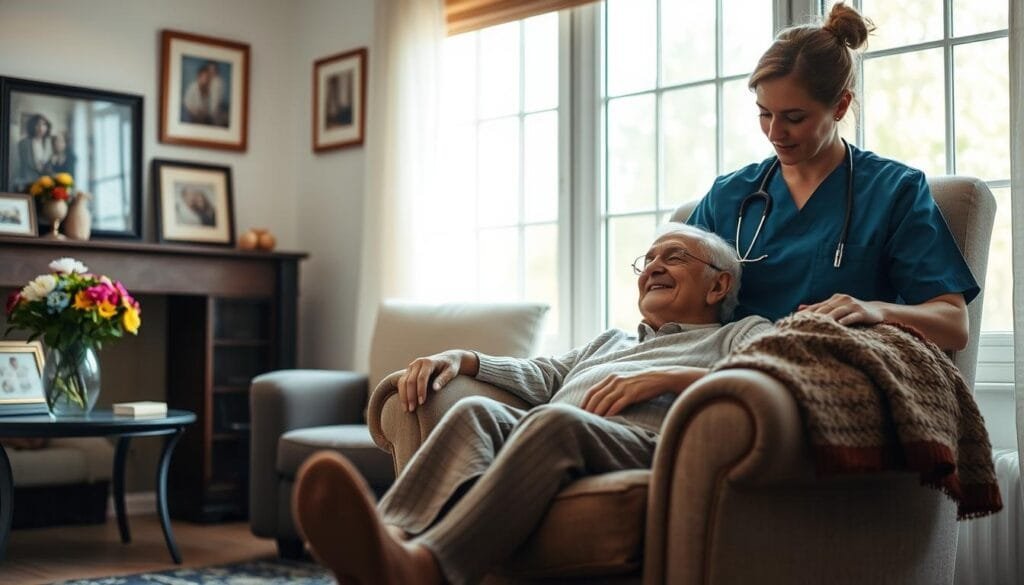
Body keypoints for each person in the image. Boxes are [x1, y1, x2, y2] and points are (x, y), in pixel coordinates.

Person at [294, 223, 773, 585]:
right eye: (646, 261)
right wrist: (466, 358)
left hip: (653, 446)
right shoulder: (612, 341)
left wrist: (670, 377)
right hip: (559, 438)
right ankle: (382, 542)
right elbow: (545, 374)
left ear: (718, 286)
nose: (653, 268)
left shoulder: (740, 334)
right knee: (474, 412)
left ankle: (427, 566)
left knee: (554, 421)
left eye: (674, 257)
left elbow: (780, 377)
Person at [686, 2, 978, 352]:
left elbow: (954, 324)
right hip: (725, 366)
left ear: (840, 106)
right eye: (765, 114)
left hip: (831, 375)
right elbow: (676, 295)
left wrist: (874, 310)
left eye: (794, 118)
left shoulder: (893, 191)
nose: (775, 132)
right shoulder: (729, 195)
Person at [182, 61, 228, 127]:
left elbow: (213, 107)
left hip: (207, 116)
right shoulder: (193, 87)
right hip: (191, 115)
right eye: (205, 77)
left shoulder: (216, 85)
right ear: (199, 77)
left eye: (209, 77)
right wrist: (196, 112)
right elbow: (187, 104)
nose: (207, 79)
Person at [15, 114, 53, 191]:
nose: (41, 128)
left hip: (45, 184)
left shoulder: (49, 143)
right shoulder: (24, 143)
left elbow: (49, 165)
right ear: (32, 126)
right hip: (28, 182)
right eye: (38, 125)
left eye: (44, 124)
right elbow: (23, 166)